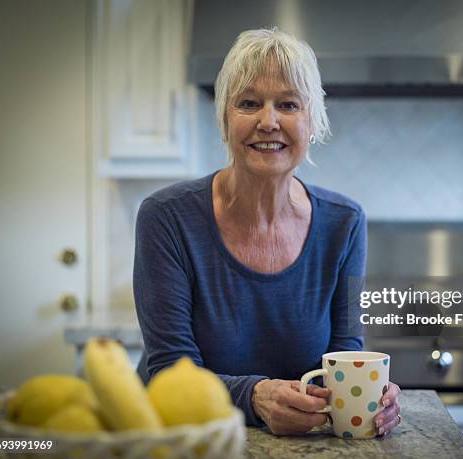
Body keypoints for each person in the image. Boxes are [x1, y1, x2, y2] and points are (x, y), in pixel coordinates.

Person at [133, 28, 401, 436]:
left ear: (312, 123)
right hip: (183, 439)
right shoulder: (167, 218)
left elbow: (346, 352)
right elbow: (170, 373)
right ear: (225, 119)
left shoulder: (344, 223)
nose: (268, 121)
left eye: (288, 104)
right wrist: (255, 397)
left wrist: (371, 396)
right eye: (249, 103)